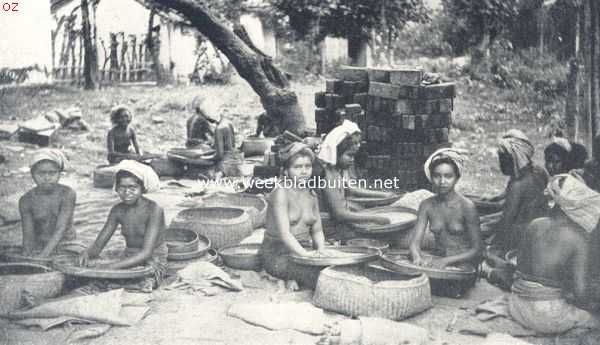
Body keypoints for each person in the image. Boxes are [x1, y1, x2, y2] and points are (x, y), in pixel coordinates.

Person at [508, 174, 600, 334]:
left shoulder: (535, 225)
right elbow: (580, 293)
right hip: (547, 316)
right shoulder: (578, 239)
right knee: (594, 321)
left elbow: (520, 269)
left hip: (517, 306)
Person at [79, 160, 166, 287]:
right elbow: (99, 244)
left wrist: (111, 267)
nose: (126, 193)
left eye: (133, 188)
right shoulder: (117, 210)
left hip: (152, 258)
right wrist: (87, 253)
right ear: (116, 188)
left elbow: (146, 252)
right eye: (122, 188)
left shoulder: (154, 210)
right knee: (93, 274)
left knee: (141, 280)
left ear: (142, 189)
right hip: (129, 254)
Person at [259, 142, 326, 289]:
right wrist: (306, 256)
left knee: (331, 267)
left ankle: (294, 277)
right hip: (277, 253)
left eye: (307, 166)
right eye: (297, 167)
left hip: (303, 251)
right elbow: (285, 234)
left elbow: (317, 230)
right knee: (319, 276)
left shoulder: (311, 195)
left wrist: (321, 250)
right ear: (286, 171)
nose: (304, 171)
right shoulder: (280, 193)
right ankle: (291, 277)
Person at [316, 120, 393, 239]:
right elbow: (339, 214)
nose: (352, 160)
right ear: (336, 153)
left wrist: (385, 195)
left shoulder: (338, 170)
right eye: (349, 156)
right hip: (331, 228)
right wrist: (374, 218)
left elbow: (352, 189)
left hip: (341, 221)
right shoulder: (328, 177)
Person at [409, 148, 483, 269]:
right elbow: (414, 244)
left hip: (463, 263)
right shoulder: (426, 205)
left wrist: (446, 261)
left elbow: (477, 250)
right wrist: (417, 258)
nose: (442, 181)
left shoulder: (467, 206)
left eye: (448, 176)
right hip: (439, 258)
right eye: (437, 176)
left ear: (457, 178)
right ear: (431, 178)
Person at [482, 129, 548, 253]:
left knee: (479, 229)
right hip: (540, 229)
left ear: (516, 158)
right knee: (484, 221)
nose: (500, 162)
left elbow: (506, 221)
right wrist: (498, 197)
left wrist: (494, 246)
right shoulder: (537, 171)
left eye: (504, 158)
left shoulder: (518, 185)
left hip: (522, 236)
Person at [19, 149, 81, 257]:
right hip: (40, 245)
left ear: (59, 174)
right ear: (32, 174)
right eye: (41, 173)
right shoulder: (26, 201)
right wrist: (27, 254)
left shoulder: (67, 194)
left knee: (80, 257)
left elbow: (60, 229)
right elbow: (28, 236)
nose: (47, 178)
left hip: (67, 244)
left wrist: (43, 256)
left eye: (52, 173)